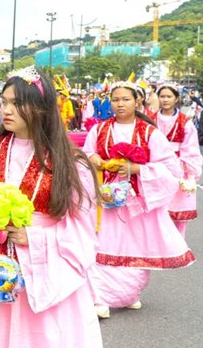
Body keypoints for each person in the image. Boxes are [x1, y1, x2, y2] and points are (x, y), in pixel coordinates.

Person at [0, 66, 103, 347]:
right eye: (3, 103)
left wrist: (34, 236)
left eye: (17, 103)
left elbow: (83, 228)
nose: (6, 110)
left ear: (42, 108)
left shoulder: (69, 162)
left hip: (46, 270)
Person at [82, 81, 193, 319]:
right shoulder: (99, 130)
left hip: (138, 200)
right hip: (105, 198)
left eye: (125, 99)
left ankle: (129, 293)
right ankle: (100, 297)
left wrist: (136, 169)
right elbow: (88, 152)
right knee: (100, 244)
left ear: (137, 101)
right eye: (115, 100)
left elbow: (170, 169)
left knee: (136, 244)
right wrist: (94, 159)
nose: (120, 104)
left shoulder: (150, 132)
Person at [151, 83, 202, 235]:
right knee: (156, 215)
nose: (165, 100)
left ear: (176, 99)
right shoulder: (150, 119)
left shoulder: (185, 121)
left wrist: (187, 171)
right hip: (155, 167)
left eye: (169, 96)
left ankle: (179, 248)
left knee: (178, 216)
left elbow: (191, 148)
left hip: (179, 168)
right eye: (162, 96)